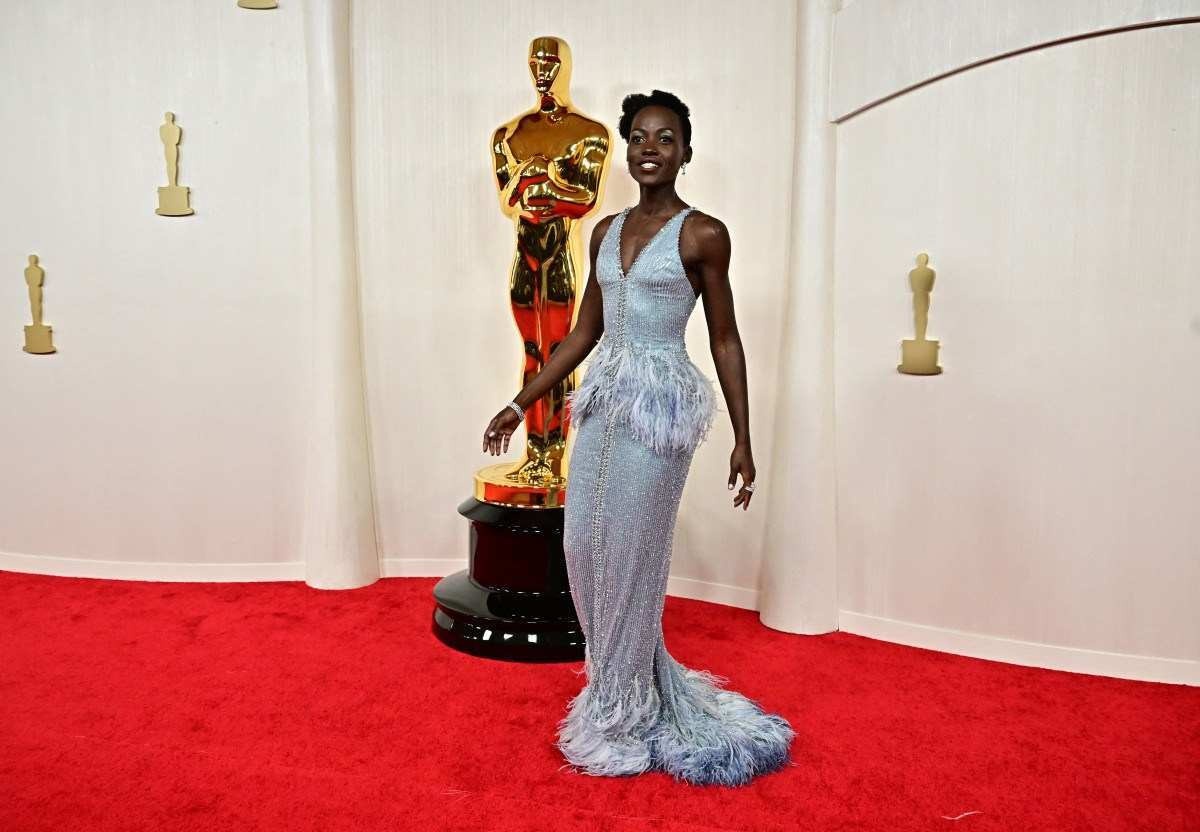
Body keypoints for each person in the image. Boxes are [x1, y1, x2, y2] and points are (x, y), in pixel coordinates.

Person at [482, 89, 794, 786]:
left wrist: (744, 438)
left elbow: (725, 338)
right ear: (627, 150)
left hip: (661, 409)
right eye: (640, 138)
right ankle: (620, 680)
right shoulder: (604, 230)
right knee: (583, 545)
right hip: (603, 403)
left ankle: (621, 710)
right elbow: (583, 335)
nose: (650, 149)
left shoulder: (703, 234)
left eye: (665, 138)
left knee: (631, 551)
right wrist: (520, 400)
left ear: (686, 150)